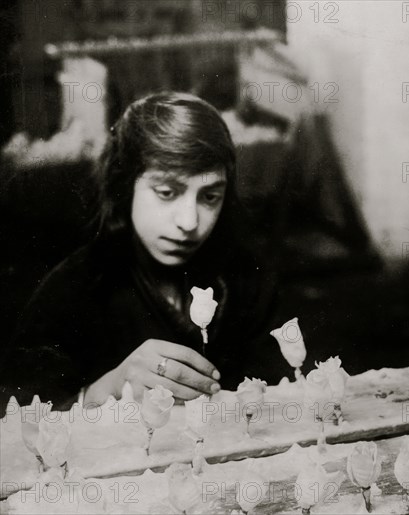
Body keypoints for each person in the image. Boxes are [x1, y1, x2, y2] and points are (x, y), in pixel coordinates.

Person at [0, 92, 289, 412]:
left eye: (209, 196)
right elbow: (15, 417)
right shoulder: (77, 285)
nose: (189, 222)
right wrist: (100, 393)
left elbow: (283, 394)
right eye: (167, 192)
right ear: (125, 187)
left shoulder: (246, 277)